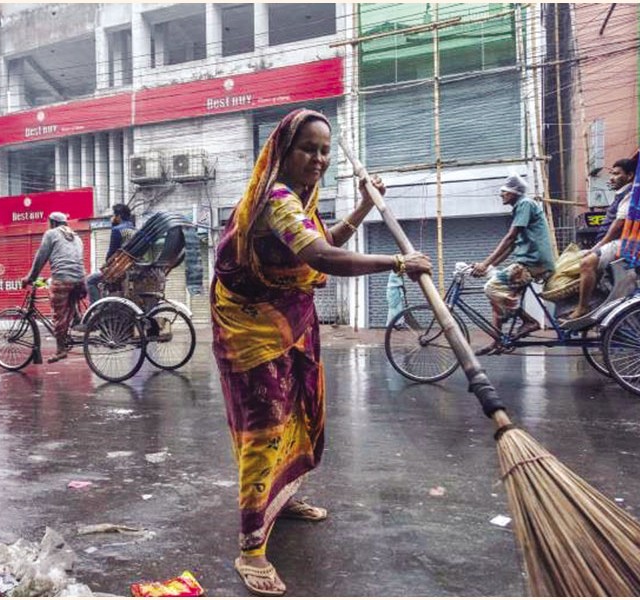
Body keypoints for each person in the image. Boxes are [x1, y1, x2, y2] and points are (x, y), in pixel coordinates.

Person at [211, 108, 431, 596]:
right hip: (252, 333)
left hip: (286, 325)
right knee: (264, 429)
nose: (319, 158)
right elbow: (321, 257)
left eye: (325, 150)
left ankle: (281, 498)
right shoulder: (276, 200)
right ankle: (251, 549)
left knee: (292, 417)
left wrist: (362, 209)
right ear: (282, 152)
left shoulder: (299, 201)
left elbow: (324, 238)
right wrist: (397, 262)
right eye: (308, 148)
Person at [471, 174, 555, 355]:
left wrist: (485, 264)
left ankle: (530, 321)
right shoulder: (521, 207)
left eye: (504, 192)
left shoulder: (525, 204)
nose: (501, 195)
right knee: (496, 301)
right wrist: (489, 266)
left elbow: (509, 237)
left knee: (491, 287)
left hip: (533, 262)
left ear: (514, 192)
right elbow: (512, 245)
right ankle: (497, 343)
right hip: (528, 261)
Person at [566, 157, 636, 320]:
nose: (611, 177)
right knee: (572, 260)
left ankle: (582, 307)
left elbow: (618, 225)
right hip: (612, 243)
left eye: (617, 174)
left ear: (630, 175)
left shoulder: (630, 194)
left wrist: (598, 246)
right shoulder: (621, 194)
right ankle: (591, 300)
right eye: (611, 174)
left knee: (586, 263)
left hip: (619, 243)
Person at [21, 212, 85, 363]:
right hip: (81, 281)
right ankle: (75, 317)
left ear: (53, 223)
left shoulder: (51, 234)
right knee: (68, 298)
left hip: (63, 280)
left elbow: (41, 257)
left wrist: (30, 278)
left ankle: (61, 350)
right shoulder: (76, 236)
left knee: (58, 314)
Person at [86, 203, 136, 304]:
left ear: (118, 216)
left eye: (114, 215)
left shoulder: (117, 230)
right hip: (131, 267)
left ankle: (96, 308)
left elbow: (111, 254)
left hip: (120, 270)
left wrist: (106, 266)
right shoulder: (134, 230)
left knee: (90, 280)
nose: (112, 218)